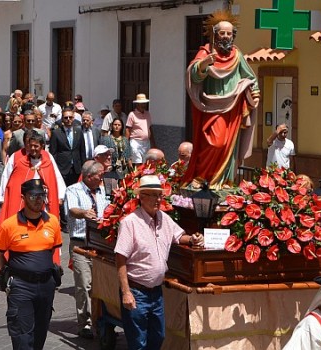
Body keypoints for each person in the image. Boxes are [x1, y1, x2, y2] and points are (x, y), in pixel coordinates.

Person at [115, 175, 204, 349]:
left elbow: (179, 236)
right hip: (136, 290)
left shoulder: (164, 218)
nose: (158, 199)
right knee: (138, 343)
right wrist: (126, 292)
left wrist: (193, 239)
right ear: (142, 197)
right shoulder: (130, 223)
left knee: (158, 337)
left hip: (156, 293)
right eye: (153, 195)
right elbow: (120, 259)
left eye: (160, 195)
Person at [184, 13, 260, 186]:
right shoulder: (206, 52)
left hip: (233, 106)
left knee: (229, 146)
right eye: (222, 33)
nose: (226, 37)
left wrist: (254, 92)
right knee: (214, 142)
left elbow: (250, 77)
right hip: (212, 106)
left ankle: (225, 179)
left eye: (229, 33)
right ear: (215, 34)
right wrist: (203, 65)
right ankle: (202, 176)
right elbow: (193, 76)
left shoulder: (237, 55)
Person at [0, 179, 63, 350]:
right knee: (22, 337)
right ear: (23, 197)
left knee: (40, 334)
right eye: (33, 196)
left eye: (42, 196)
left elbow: (53, 250)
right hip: (21, 287)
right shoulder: (9, 225)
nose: (38, 200)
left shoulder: (52, 221)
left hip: (46, 285)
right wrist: (8, 271)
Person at [0, 130, 66, 271]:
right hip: (22, 206)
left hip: (43, 206)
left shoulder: (48, 159)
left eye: (36, 146)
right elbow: (7, 178)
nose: (33, 149)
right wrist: (2, 198)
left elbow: (55, 178)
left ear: (42, 146)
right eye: (30, 146)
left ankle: (48, 265)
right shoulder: (17, 159)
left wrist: (59, 196)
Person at [64, 161, 108, 339]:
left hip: (101, 245)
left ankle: (101, 320)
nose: (102, 178)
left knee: (102, 285)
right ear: (89, 177)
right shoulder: (73, 190)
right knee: (84, 284)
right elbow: (73, 209)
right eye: (100, 175)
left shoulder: (102, 190)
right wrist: (84, 213)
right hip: (80, 244)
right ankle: (85, 323)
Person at [49, 109, 86, 186]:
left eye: (70, 117)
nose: (68, 119)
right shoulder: (56, 133)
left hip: (76, 169)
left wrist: (83, 167)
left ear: (73, 118)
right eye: (66, 117)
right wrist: (55, 169)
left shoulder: (79, 131)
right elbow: (53, 153)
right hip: (62, 169)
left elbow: (82, 151)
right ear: (62, 119)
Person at [125, 94, 156, 166]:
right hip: (136, 142)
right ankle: (137, 177)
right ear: (137, 104)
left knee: (146, 163)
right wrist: (126, 144)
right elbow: (128, 129)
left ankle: (143, 176)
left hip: (146, 142)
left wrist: (153, 143)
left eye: (144, 103)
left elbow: (150, 128)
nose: (143, 105)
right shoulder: (132, 114)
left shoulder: (148, 114)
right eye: (141, 103)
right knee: (138, 161)